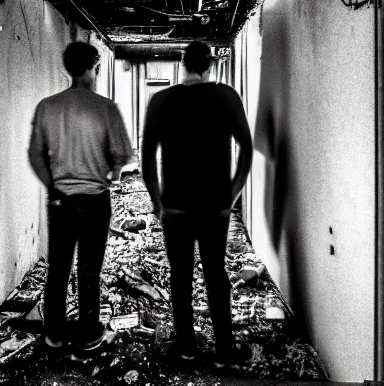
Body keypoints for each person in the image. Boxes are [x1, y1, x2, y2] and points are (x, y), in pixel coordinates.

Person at [141, 40, 253, 369]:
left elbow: (147, 157)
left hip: (175, 206)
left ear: (183, 64)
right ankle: (224, 351)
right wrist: (232, 193)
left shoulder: (161, 100)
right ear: (210, 65)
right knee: (216, 274)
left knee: (180, 277)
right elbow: (246, 147)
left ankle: (188, 349)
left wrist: (156, 201)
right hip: (214, 205)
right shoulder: (225, 96)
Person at [28, 41, 132, 353]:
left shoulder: (47, 106)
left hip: (60, 200)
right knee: (89, 269)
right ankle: (88, 333)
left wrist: (54, 186)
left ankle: (54, 334)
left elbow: (35, 155)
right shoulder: (105, 108)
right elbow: (123, 156)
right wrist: (110, 172)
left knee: (58, 268)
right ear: (94, 68)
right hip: (95, 200)